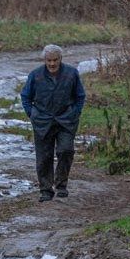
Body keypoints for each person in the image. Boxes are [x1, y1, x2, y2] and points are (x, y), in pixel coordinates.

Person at [20, 44, 85, 201]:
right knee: (43, 156)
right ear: (44, 60)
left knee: (66, 150)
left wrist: (75, 113)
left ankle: (61, 185)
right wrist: (32, 114)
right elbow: (25, 96)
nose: (52, 64)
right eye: (49, 60)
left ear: (61, 59)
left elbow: (80, 96)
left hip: (66, 120)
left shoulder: (71, 73)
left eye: (55, 60)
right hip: (42, 121)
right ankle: (46, 190)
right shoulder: (35, 75)